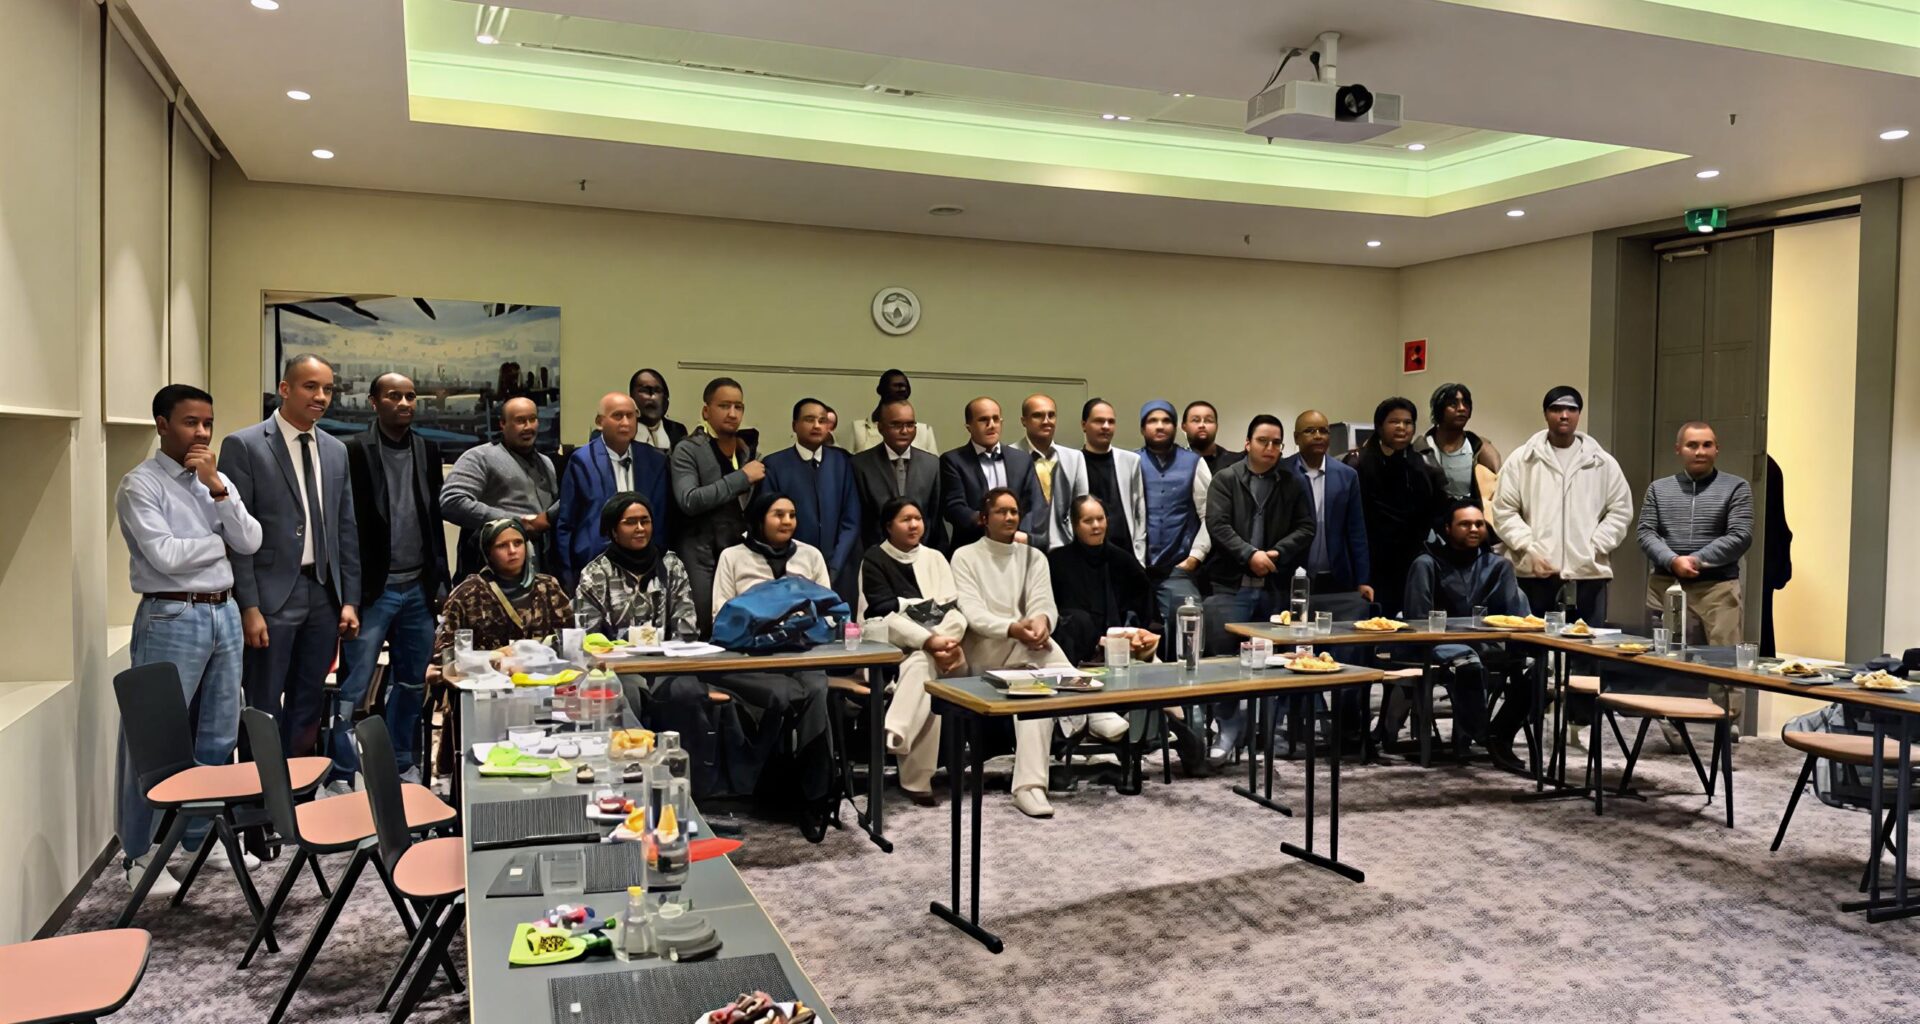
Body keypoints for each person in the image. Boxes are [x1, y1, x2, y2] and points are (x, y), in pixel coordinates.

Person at [116, 384, 264, 894]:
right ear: (162, 424)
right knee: (152, 739)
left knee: (219, 734)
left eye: (207, 423)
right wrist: (218, 542)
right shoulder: (140, 485)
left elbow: (251, 540)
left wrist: (217, 489)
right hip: (171, 614)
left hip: (224, 611)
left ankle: (198, 839)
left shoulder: (214, 480)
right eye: (190, 422)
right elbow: (165, 556)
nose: (201, 432)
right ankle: (137, 854)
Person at [952, 488, 1129, 818]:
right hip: (986, 653)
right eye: (1001, 512)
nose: (1009, 517)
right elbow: (972, 614)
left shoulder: (1033, 556)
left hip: (1030, 653)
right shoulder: (965, 556)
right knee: (1037, 650)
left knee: (1037, 690)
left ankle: (1029, 788)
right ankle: (1089, 707)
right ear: (984, 519)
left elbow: (1044, 603)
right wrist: (1014, 628)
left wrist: (1041, 623)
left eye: (1014, 511)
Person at [221, 354, 361, 760]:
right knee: (263, 704)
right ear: (285, 389)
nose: (321, 396)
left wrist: (350, 599)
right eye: (310, 386)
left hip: (323, 593)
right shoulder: (244, 445)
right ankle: (260, 791)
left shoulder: (336, 450)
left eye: (328, 389)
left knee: (309, 700)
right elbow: (233, 535)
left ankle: (300, 789)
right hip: (271, 596)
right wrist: (248, 606)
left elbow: (346, 529)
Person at [335, 372, 447, 792]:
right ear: (373, 402)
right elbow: (344, 524)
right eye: (394, 396)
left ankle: (402, 764)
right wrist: (349, 594)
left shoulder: (426, 449)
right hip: (372, 590)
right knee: (354, 686)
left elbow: (433, 521)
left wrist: (440, 581)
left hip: (417, 587)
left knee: (412, 684)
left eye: (410, 396)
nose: (404, 403)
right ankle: (342, 772)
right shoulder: (352, 450)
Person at [709, 492, 835, 840]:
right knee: (785, 695)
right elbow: (720, 614)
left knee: (816, 688)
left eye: (792, 514)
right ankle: (774, 787)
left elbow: (828, 611)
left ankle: (814, 796)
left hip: (802, 653)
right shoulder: (733, 556)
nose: (787, 521)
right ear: (759, 519)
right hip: (749, 659)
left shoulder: (810, 555)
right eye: (778, 514)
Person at [572, 492, 716, 788]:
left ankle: (690, 788)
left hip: (666, 663)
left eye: (645, 521)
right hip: (619, 668)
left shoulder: (671, 565)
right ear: (613, 530)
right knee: (627, 693)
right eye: (630, 522)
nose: (640, 528)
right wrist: (630, 644)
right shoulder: (595, 573)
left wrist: (659, 645)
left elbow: (687, 624)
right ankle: (629, 784)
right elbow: (587, 636)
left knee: (687, 692)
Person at [1202, 415, 1315, 758]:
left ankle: (1270, 731)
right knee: (1224, 661)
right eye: (1263, 441)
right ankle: (1227, 729)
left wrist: (1278, 552)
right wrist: (1249, 554)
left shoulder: (1292, 482)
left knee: (1276, 660)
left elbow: (1306, 527)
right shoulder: (1226, 478)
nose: (1270, 448)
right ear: (1248, 443)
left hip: (1275, 586)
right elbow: (1218, 525)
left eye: (1276, 443)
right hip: (1230, 585)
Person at [1638, 421, 1753, 727]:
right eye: (1692, 445)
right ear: (1679, 449)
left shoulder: (1736, 487)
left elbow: (1740, 535)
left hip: (1718, 589)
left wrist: (1697, 560)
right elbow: (1646, 532)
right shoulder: (1658, 489)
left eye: (1706, 445)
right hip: (1667, 585)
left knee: (1725, 663)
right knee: (1669, 660)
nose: (1700, 451)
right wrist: (1672, 560)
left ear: (1717, 449)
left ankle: (1725, 729)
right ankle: (1672, 725)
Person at [1403, 499, 1531, 773]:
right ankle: (1485, 736)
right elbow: (1417, 618)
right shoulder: (1426, 563)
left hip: (1487, 643)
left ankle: (1499, 733)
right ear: (1448, 529)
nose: (1473, 529)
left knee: (1541, 671)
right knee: (1467, 662)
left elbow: (1514, 616)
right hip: (1436, 644)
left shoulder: (1498, 566)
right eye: (1465, 524)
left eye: (1479, 524)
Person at [1489, 386, 1634, 624]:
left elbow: (1620, 510)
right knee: (1532, 641)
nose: (1564, 415)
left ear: (1579, 414)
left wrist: (1595, 545)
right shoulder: (1522, 459)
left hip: (1589, 574)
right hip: (1534, 573)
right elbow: (1504, 510)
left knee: (1587, 643)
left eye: (1571, 409)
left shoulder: (1602, 463)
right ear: (1546, 414)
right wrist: (1529, 547)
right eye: (1556, 409)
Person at [860, 497, 966, 803]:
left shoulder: (935, 557)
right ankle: (917, 780)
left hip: (940, 647)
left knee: (927, 661)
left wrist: (936, 641)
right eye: (905, 519)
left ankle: (897, 732)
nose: (914, 525)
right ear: (888, 526)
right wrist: (927, 636)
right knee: (922, 664)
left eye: (918, 518)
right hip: (890, 647)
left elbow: (949, 609)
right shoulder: (874, 558)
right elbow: (879, 614)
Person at [669, 377, 764, 633]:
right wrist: (742, 477)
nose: (732, 413)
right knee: (704, 626)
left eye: (738, 407)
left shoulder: (746, 450)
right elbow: (689, 499)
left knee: (742, 625)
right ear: (706, 411)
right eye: (724, 406)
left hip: (739, 550)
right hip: (700, 551)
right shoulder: (688, 449)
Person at [557, 392, 671, 589]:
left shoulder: (655, 460)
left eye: (630, 416)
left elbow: (661, 517)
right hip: (595, 560)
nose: (625, 422)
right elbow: (566, 522)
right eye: (617, 416)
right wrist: (567, 576)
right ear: (599, 422)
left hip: (646, 561)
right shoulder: (581, 460)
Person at [1346, 397, 1446, 617]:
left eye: (1408, 422)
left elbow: (1438, 510)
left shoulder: (1424, 465)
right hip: (1368, 559)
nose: (1402, 427)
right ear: (1379, 426)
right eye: (1394, 422)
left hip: (1410, 559)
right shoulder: (1357, 463)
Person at [441, 396, 558, 577]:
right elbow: (452, 502)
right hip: (490, 575)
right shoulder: (480, 457)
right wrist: (515, 523)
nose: (528, 427)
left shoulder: (546, 463)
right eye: (520, 421)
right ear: (502, 424)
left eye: (532, 419)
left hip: (536, 571)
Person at [763, 398, 862, 602]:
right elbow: (770, 522)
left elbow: (851, 520)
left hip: (840, 568)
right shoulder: (775, 464)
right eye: (809, 419)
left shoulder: (842, 462)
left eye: (822, 420)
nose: (817, 426)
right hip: (790, 569)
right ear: (794, 425)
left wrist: (834, 566)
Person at [433, 518, 572, 657]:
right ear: (488, 553)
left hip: (544, 668)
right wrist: (490, 657)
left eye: (518, 543)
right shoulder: (467, 594)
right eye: (502, 546)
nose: (512, 551)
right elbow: (445, 657)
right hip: (486, 670)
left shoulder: (548, 587)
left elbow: (570, 641)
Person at [1049, 496, 1161, 666]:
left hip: (1122, 649)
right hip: (1073, 652)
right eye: (1088, 521)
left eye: (1100, 519)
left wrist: (1142, 636)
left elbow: (1147, 608)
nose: (1096, 526)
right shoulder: (1057, 562)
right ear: (1075, 525)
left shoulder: (1123, 560)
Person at [1137, 399, 1213, 642]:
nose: (1160, 426)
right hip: (1138, 567)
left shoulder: (1194, 462)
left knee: (1189, 626)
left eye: (1166, 420)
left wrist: (1195, 557)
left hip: (1177, 568)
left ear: (1176, 426)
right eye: (1153, 421)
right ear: (1142, 428)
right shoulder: (1131, 461)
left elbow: (1211, 515)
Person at [1285, 410, 1373, 607]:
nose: (1318, 436)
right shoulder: (1282, 472)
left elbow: (1356, 531)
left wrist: (1363, 579)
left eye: (1323, 431)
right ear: (1296, 438)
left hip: (1336, 576)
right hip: (1291, 576)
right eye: (1310, 431)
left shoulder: (1347, 475)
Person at [939, 397, 1044, 550]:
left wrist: (1015, 532)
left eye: (996, 419)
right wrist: (992, 524)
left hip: (1017, 545)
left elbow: (1035, 504)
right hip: (973, 547)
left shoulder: (1021, 459)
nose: (991, 425)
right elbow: (954, 508)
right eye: (983, 420)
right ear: (969, 427)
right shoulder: (953, 460)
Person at [850, 398, 945, 551]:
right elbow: (859, 520)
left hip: (921, 551)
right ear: (880, 427)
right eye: (896, 425)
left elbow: (934, 517)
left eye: (910, 425)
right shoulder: (860, 464)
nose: (904, 431)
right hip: (875, 553)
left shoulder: (932, 464)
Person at [1010, 393, 1087, 550]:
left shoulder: (1074, 458)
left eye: (1051, 415)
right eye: (1038, 415)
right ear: (1024, 421)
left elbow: (1082, 506)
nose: (1046, 421)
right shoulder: (1009, 456)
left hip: (1066, 545)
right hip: (1021, 544)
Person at [1080, 398, 1147, 563]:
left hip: (1125, 553)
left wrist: (1139, 555)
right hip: (1085, 554)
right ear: (1084, 425)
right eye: (1099, 421)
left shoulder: (1130, 461)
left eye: (1111, 421)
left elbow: (1139, 510)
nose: (1106, 426)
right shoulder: (1073, 461)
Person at [1411, 383, 1503, 501]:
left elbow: (1501, 482)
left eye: (1466, 404)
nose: (1462, 408)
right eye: (1453, 404)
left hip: (1470, 510)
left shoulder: (1479, 446)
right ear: (1439, 409)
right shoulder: (1421, 448)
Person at [851, 368, 938, 454]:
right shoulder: (858, 429)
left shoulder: (924, 432)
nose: (902, 389)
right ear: (881, 389)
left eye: (905, 386)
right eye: (897, 386)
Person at [628, 367, 688, 453]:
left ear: (665, 400)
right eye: (644, 390)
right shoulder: (624, 430)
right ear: (631, 398)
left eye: (657, 391)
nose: (652, 397)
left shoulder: (677, 430)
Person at [1183, 400, 1244, 472]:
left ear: (1216, 427)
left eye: (1209, 420)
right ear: (1184, 427)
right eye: (1195, 420)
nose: (1202, 425)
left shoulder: (1237, 463)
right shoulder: (1174, 461)